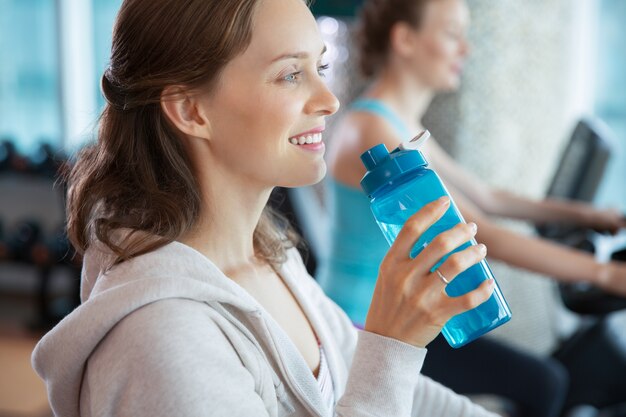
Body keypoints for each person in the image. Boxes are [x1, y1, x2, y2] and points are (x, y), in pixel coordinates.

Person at [31, 0, 501, 416]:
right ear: (191, 110)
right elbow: (382, 376)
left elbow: (410, 397)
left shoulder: (272, 257)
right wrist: (393, 346)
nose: (330, 100)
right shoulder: (160, 341)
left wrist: (390, 356)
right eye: (291, 74)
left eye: (320, 66)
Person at [316, 0, 626, 416]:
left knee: (540, 379)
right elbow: (478, 230)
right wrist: (605, 274)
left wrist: (585, 215)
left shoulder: (395, 120)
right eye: (451, 33)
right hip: (361, 329)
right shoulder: (373, 130)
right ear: (405, 39)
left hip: (397, 314)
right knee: (543, 383)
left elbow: (488, 196)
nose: (466, 49)